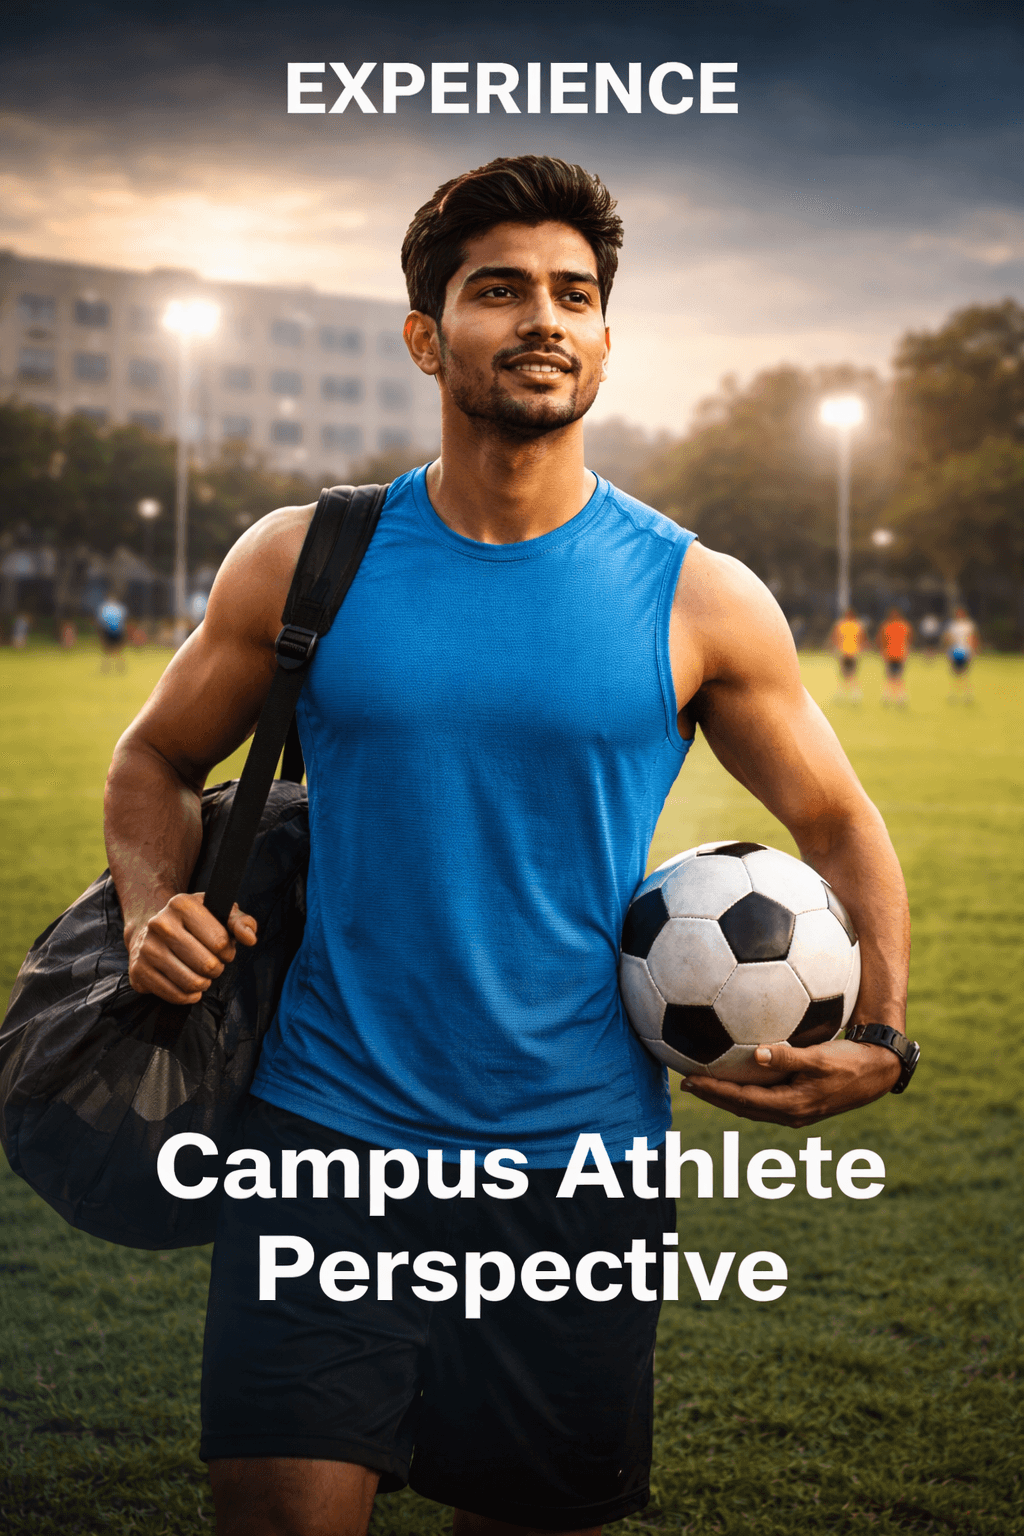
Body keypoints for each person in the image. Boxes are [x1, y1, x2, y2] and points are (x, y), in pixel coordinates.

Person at [103, 157, 911, 1536]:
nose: (544, 317)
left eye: (574, 294)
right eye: (500, 290)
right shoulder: (302, 557)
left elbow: (836, 820)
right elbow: (155, 761)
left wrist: (885, 1035)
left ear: (604, 337)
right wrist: (150, 906)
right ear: (427, 337)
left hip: (578, 1167)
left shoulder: (699, 596)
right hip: (327, 1141)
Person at [876, 607, 913, 706]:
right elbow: (882, 640)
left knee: (896, 677)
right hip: (891, 654)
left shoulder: (900, 626)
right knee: (892, 677)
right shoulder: (896, 626)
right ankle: (891, 697)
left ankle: (897, 697)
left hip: (898, 654)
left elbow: (908, 640)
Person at [829, 606, 867, 701]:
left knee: (846, 674)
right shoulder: (857, 625)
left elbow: (835, 638)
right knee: (849, 674)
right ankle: (851, 694)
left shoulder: (842, 625)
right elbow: (861, 639)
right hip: (849, 652)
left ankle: (846, 694)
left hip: (847, 652)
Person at [944, 605, 978, 701]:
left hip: (965, 651)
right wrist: (948, 650)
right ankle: (954, 693)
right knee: (955, 673)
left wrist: (972, 651)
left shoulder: (968, 625)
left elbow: (971, 638)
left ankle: (968, 694)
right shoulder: (953, 625)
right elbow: (949, 638)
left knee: (965, 673)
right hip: (955, 651)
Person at [97, 594, 128, 671]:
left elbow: (101, 620)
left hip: (113, 631)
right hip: (112, 631)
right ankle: (113, 668)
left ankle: (114, 668)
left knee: (112, 650)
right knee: (114, 650)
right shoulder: (118, 608)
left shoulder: (106, 608)